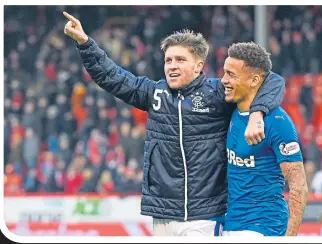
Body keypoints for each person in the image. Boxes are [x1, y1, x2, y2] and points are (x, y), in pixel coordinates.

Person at [63, 12, 285, 236]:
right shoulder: (154, 93)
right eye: (168, 60)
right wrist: (85, 43)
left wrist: (258, 112)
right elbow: (113, 77)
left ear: (198, 66)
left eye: (180, 60)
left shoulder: (218, 93)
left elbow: (272, 80)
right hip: (163, 214)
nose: (172, 66)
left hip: (205, 216)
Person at [221, 42, 308, 236]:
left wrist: (290, 237)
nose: (223, 80)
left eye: (231, 74)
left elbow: (298, 185)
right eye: (224, 72)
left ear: (254, 81)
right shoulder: (230, 109)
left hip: (264, 228)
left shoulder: (277, 122)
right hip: (231, 225)